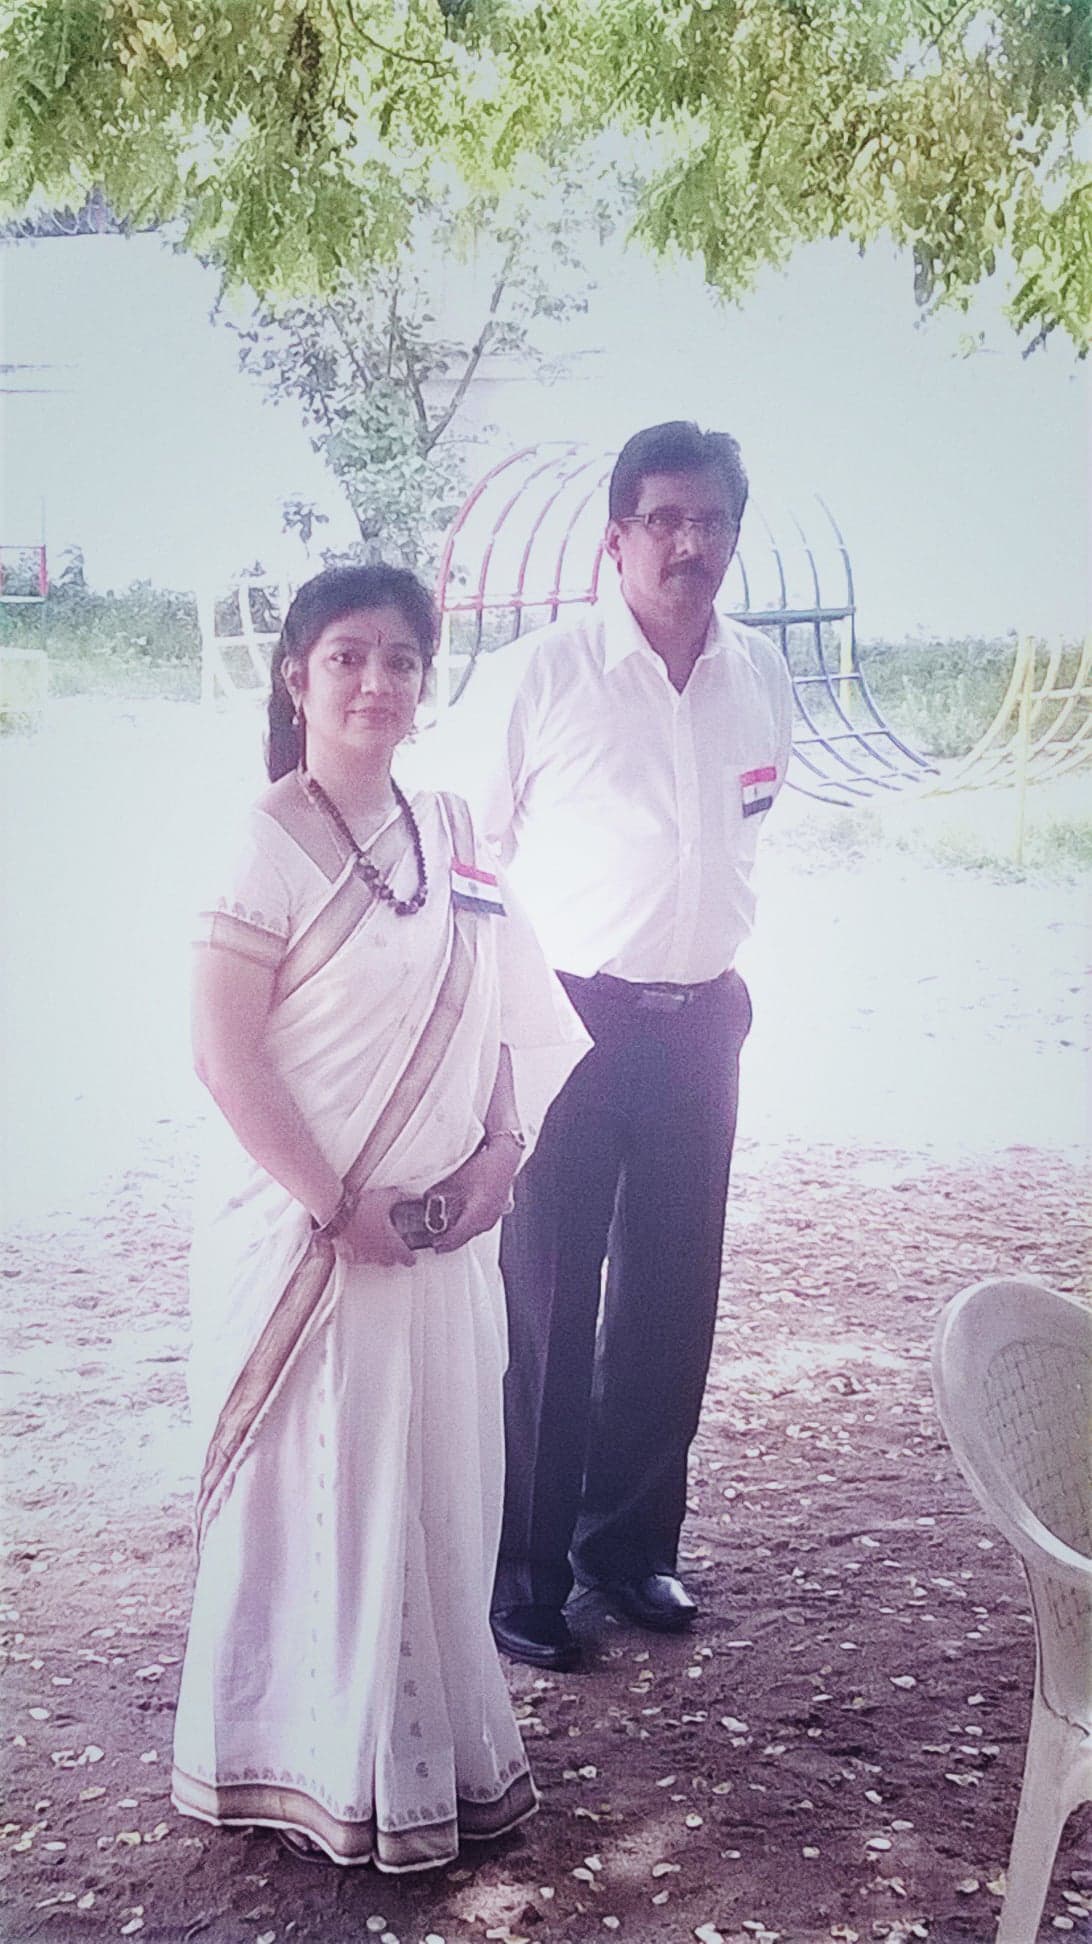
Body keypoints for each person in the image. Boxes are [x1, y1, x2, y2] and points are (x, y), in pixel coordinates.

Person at [170, 565, 588, 1869]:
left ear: (425, 682)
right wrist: (337, 1203)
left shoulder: (457, 832)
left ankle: (440, 1756)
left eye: (401, 659)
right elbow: (226, 1058)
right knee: (325, 1500)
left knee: (438, 1491)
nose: (376, 682)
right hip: (309, 1247)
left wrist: (504, 1157)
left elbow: (505, 1011)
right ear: (296, 678)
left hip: (447, 1240)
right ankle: (297, 1763)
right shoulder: (262, 841)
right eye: (347, 656)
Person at [443, 422, 794, 1672]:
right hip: (565, 1023)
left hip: (703, 1023)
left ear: (735, 537)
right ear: (616, 537)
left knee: (670, 1294)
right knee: (543, 1295)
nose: (689, 543)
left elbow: (747, 830)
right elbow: (464, 860)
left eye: (711, 522)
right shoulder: (544, 675)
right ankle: (522, 1576)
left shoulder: (758, 673)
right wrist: (491, 1037)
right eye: (664, 521)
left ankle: (631, 1542)